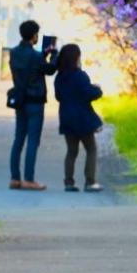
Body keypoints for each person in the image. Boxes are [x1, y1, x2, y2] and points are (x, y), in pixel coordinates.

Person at [7, 20, 58, 190]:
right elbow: (49, 69)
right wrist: (54, 54)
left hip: (20, 101)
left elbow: (30, 66)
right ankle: (29, 179)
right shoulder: (36, 56)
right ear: (34, 35)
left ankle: (15, 178)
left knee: (18, 139)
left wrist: (42, 55)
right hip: (35, 103)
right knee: (33, 141)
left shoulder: (14, 53)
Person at [53, 43, 105, 192]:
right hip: (82, 118)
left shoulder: (60, 77)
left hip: (66, 118)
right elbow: (89, 93)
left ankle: (68, 182)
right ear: (76, 58)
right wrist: (98, 89)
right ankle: (90, 181)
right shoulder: (80, 76)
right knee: (91, 149)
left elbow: (58, 96)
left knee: (71, 151)